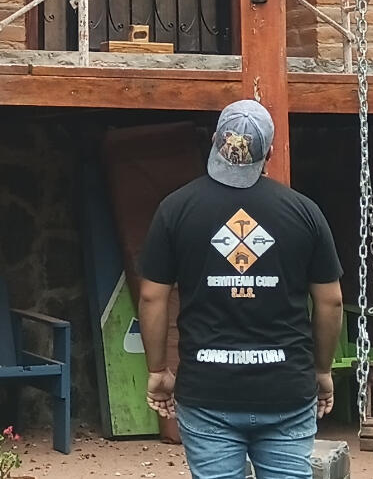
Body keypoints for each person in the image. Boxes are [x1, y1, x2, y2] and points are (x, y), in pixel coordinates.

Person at [138, 101, 344, 479]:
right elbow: (330, 301)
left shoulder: (176, 209)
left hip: (207, 390)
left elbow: (153, 295)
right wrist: (321, 369)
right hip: (286, 387)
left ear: (215, 140)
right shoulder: (304, 212)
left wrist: (157, 371)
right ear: (269, 152)